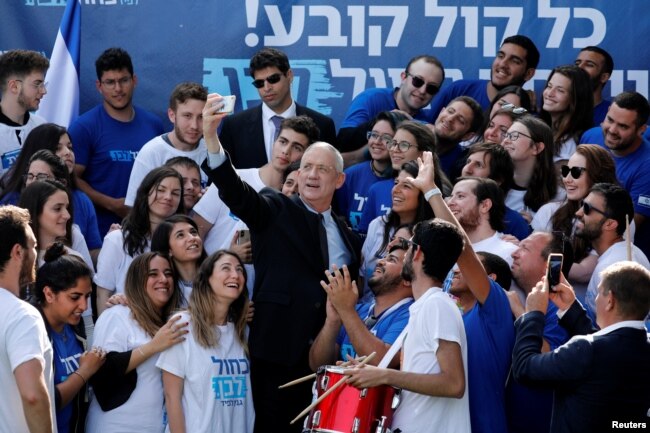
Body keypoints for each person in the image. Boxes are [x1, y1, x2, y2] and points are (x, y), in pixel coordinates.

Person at [201, 94, 361, 433]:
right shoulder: (275, 208)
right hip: (275, 353)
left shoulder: (348, 234)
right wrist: (211, 139)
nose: (312, 175)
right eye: (306, 168)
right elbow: (235, 191)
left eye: (322, 169)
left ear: (339, 180)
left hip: (326, 359)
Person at [413, 153, 516, 433]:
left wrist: (431, 191)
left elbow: (462, 249)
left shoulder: (494, 310)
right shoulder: (448, 312)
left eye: (470, 269)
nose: (458, 270)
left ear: (491, 279)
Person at [344, 218, 470, 433]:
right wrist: (367, 372)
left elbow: (454, 384)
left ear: (418, 252)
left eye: (409, 246)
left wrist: (385, 375)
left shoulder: (437, 305)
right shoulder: (425, 306)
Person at [512, 261, 650, 432]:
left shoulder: (587, 351)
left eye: (598, 292)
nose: (595, 299)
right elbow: (606, 352)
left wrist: (533, 314)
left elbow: (524, 368)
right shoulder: (640, 346)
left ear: (610, 301)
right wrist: (570, 308)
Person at [86, 252, 188, 433]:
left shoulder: (171, 322)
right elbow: (102, 373)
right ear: (137, 281)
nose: (163, 279)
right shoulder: (117, 315)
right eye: (153, 274)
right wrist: (153, 346)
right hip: (116, 426)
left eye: (168, 273)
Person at [69, 47, 164, 236]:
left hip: (148, 231)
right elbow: (71, 177)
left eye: (123, 80)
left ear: (134, 80)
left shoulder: (153, 125)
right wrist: (111, 204)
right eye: (110, 82)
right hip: (100, 233)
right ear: (99, 86)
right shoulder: (84, 127)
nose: (118, 89)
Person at [157, 250, 254, 433]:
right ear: (207, 279)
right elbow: (172, 396)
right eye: (226, 268)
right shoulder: (183, 324)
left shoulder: (241, 331)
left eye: (240, 270)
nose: (235, 274)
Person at [310, 225, 413, 369]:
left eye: (392, 260)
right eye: (383, 257)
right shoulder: (358, 310)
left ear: (408, 279)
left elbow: (381, 361)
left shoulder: (411, 315)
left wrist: (346, 310)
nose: (380, 261)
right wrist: (332, 321)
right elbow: (318, 365)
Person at [219, 47, 336, 169]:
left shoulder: (322, 125)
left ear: (289, 75)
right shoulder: (234, 126)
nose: (267, 87)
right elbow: (222, 177)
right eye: (259, 83)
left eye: (273, 79)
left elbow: (329, 175)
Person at [32, 242, 105, 433]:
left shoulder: (77, 329)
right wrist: (83, 372)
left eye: (87, 296)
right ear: (49, 294)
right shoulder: (32, 333)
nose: (83, 305)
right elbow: (44, 401)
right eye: (75, 297)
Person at [0, 124, 102, 259]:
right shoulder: (11, 203)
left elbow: (92, 252)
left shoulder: (82, 200)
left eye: (70, 147)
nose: (67, 152)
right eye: (57, 148)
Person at [505, 231, 573, 433]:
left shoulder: (560, 307)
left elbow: (547, 356)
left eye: (525, 248)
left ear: (549, 265)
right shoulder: (524, 298)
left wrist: (520, 312)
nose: (515, 254)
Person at [532, 145, 619, 301]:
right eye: (565, 171)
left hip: (583, 309)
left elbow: (585, 272)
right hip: (542, 299)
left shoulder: (615, 217)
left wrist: (540, 260)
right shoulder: (548, 212)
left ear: (597, 175)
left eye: (576, 172)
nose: (567, 179)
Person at [94, 167, 184, 315]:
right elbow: (103, 294)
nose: (168, 197)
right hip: (126, 328)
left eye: (175, 193)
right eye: (161, 190)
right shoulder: (117, 239)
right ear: (146, 192)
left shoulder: (180, 244)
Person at [0, 204, 55, 433]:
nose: (36, 253)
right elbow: (32, 395)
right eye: (32, 245)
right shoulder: (22, 315)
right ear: (17, 252)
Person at [580, 92, 650, 257]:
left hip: (617, 255)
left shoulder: (647, 165)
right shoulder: (590, 136)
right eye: (610, 120)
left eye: (623, 126)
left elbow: (626, 227)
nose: (611, 130)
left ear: (641, 130)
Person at [337, 54, 445, 155]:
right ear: (403, 77)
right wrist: (384, 120)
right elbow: (343, 143)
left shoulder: (425, 122)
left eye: (431, 88)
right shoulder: (372, 98)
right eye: (418, 81)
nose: (422, 90)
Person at [358, 120, 452, 233]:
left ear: (423, 154)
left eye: (404, 145)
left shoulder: (440, 195)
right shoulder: (376, 189)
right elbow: (364, 237)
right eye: (393, 143)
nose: (394, 150)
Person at [575, 183, 650, 321]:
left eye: (587, 208)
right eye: (582, 204)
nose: (578, 213)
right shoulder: (620, 255)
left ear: (610, 224)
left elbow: (618, 333)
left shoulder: (615, 268)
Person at [125, 82, 208, 206]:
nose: (194, 126)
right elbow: (135, 207)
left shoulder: (212, 151)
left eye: (201, 117)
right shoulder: (151, 152)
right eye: (187, 116)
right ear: (172, 115)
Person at [361, 161, 433, 301]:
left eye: (406, 186)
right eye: (396, 183)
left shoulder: (429, 234)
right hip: (366, 308)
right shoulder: (378, 225)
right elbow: (362, 275)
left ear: (423, 194)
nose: (396, 190)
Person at [429, 35, 540, 117]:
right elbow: (427, 127)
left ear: (528, 74)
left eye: (514, 61)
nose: (502, 64)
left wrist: (523, 106)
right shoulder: (459, 90)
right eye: (501, 56)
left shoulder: (522, 112)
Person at [335, 111, 407, 231]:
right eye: (374, 135)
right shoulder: (350, 175)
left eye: (386, 138)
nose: (377, 142)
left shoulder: (403, 181)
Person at [461, 141, 530, 240]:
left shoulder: (513, 222)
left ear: (497, 180)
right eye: (468, 162)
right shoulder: (445, 205)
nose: (467, 169)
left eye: (478, 165)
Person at [502, 115, 560, 222]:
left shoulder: (558, 196)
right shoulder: (495, 183)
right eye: (506, 135)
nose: (505, 141)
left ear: (536, 148)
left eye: (514, 135)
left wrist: (534, 227)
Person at [447, 177, 517, 265]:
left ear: (485, 205)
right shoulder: (446, 248)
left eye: (460, 196)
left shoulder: (507, 253)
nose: (449, 202)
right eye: (451, 196)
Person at [0, 50, 49, 175]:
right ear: (14, 86)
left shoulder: (41, 126)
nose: (43, 91)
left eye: (43, 84)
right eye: (37, 84)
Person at [540, 65, 593, 166]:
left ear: (575, 99)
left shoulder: (572, 143)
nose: (550, 93)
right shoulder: (544, 130)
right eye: (549, 86)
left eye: (560, 90)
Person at [151, 214, 206, 302]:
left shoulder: (217, 277)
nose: (192, 238)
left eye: (193, 232)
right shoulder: (162, 286)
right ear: (168, 250)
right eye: (180, 235)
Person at [432, 96, 484, 182]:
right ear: (441, 111)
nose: (450, 119)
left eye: (460, 120)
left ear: (468, 136)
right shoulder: (409, 130)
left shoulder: (460, 166)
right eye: (450, 111)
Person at [574, 46, 614, 125]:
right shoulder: (557, 108)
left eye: (589, 65)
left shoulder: (612, 114)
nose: (579, 67)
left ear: (604, 77)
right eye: (577, 63)